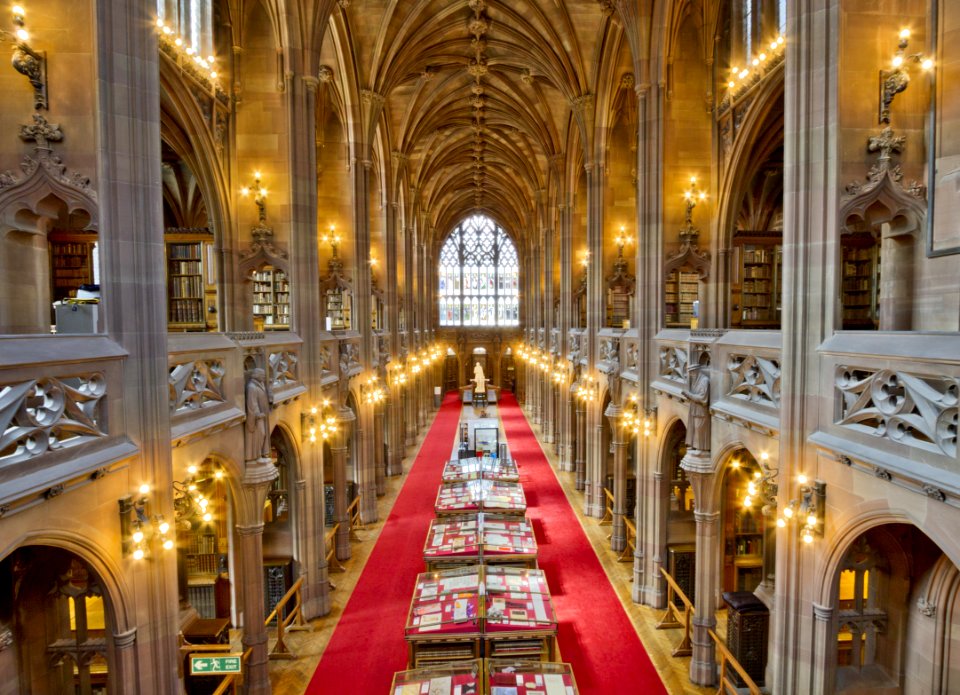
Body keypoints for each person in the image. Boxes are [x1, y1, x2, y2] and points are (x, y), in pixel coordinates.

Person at [681, 362, 710, 453]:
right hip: (694, 409)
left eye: (692, 372)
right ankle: (694, 445)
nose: (691, 375)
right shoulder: (695, 380)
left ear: (697, 371)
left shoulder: (704, 380)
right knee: (693, 428)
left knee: (699, 428)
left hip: (701, 410)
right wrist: (688, 395)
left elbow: (702, 398)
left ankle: (700, 448)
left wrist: (688, 394)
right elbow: (694, 395)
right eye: (690, 373)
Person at [245, 368, 271, 461]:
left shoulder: (261, 384)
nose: (264, 377)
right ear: (257, 375)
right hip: (257, 417)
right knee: (260, 433)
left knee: (263, 434)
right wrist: (257, 414)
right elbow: (252, 404)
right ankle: (256, 455)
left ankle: (262, 453)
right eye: (262, 375)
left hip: (263, 415)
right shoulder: (251, 387)